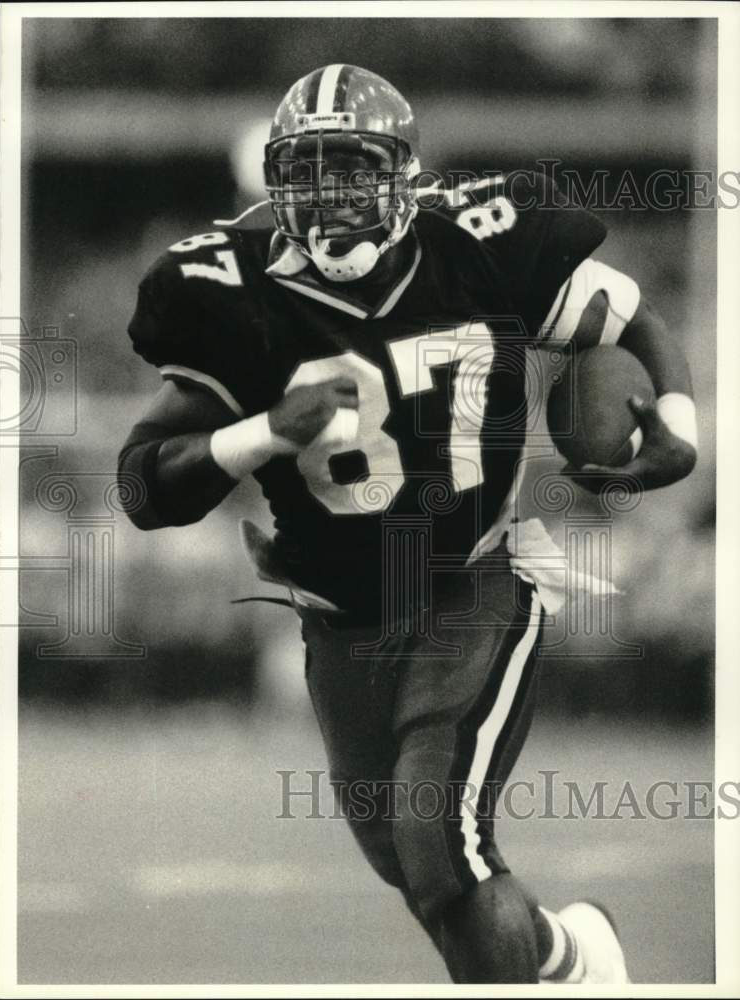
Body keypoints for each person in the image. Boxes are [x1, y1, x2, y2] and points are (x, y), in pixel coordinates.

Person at [118, 65, 698, 983]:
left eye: (351, 168)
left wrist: (678, 420)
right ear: (275, 180)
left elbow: (632, 316)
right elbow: (144, 488)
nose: (331, 196)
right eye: (307, 173)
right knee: (420, 874)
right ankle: (569, 957)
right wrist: (260, 433)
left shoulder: (476, 243)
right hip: (341, 614)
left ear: (402, 173)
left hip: (472, 582)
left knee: (439, 845)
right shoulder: (229, 288)